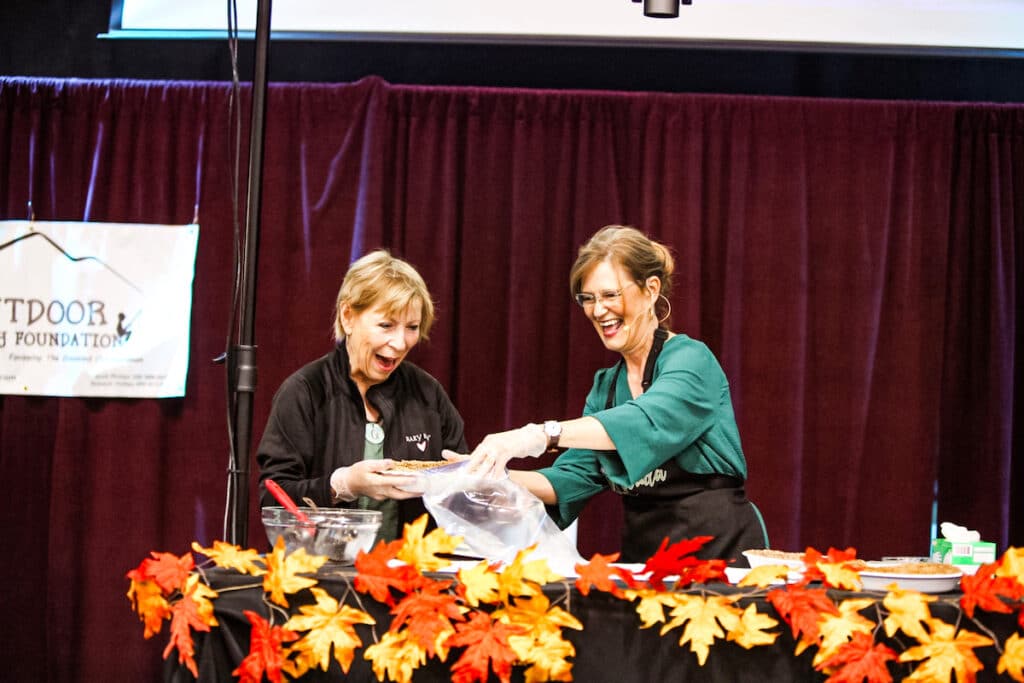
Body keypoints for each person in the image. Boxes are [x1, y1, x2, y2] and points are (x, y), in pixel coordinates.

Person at [459, 225, 767, 564]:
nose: (599, 310)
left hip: (721, 554)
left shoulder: (692, 361)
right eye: (588, 299)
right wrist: (480, 474)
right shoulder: (606, 388)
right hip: (646, 558)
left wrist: (539, 434)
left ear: (651, 290)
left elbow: (645, 420)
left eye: (611, 295)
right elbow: (572, 478)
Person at [257, 249, 467, 542]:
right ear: (348, 316)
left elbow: (464, 501)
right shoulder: (304, 391)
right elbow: (274, 501)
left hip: (412, 576)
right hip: (324, 575)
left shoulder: (427, 394)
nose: (400, 342)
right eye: (386, 325)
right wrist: (342, 485)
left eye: (412, 328)